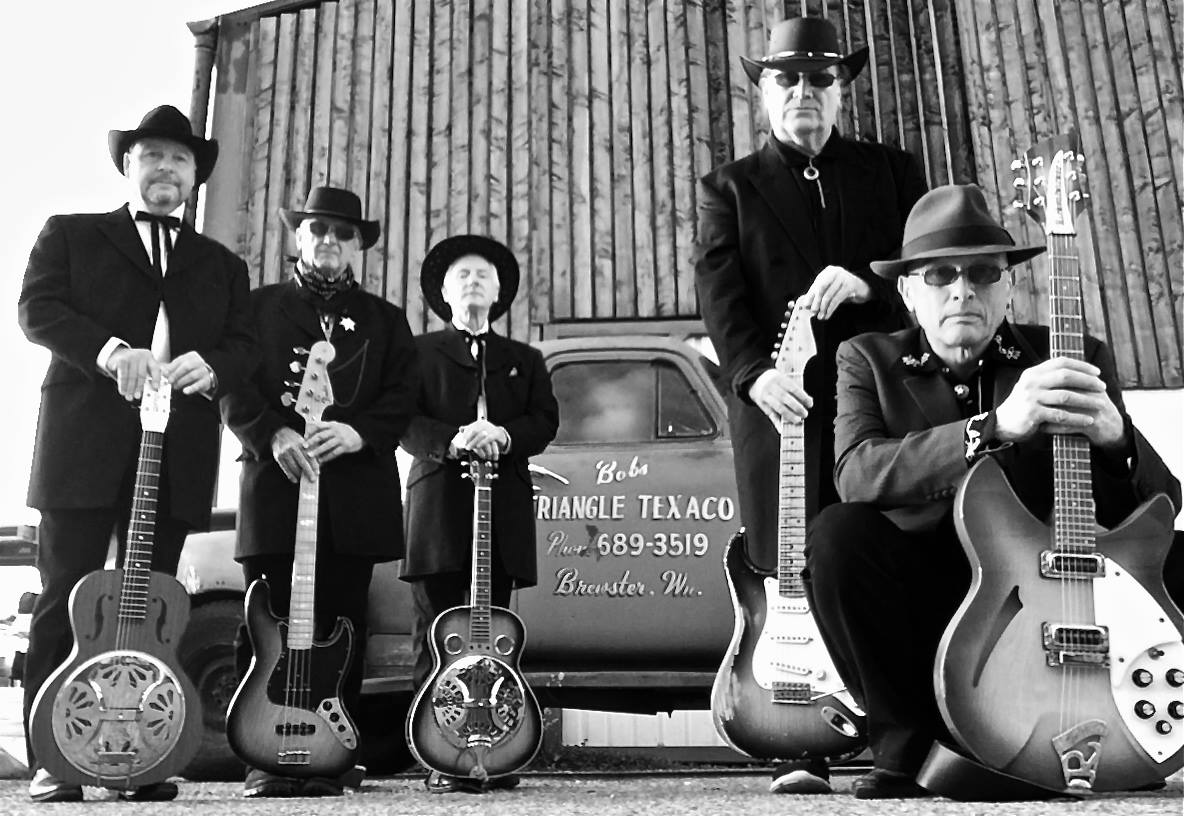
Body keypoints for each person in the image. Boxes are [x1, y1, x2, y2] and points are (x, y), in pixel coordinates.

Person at [805, 184, 1182, 798]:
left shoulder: (1071, 355)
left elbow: (1157, 508)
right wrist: (995, 426)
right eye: (940, 275)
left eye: (983, 273)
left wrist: (1118, 439)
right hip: (926, 593)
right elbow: (858, 472)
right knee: (837, 535)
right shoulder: (865, 358)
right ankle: (904, 748)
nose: (963, 290)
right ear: (906, 291)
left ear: (1009, 287)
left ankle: (1131, 727)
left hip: (1041, 591)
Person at [693, 15, 927, 794]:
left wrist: (871, 282)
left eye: (820, 79)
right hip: (776, 409)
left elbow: (932, 271)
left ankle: (904, 734)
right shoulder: (728, 187)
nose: (804, 92)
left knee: (872, 557)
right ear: (763, 90)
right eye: (787, 78)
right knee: (786, 571)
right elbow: (721, 296)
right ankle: (803, 744)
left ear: (842, 90)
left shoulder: (894, 173)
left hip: (877, 409)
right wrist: (755, 375)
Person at [16, 104, 255, 803]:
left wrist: (211, 366)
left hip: (175, 451)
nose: (165, 169)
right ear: (129, 166)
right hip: (82, 443)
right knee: (67, 594)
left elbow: (244, 346)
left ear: (193, 179)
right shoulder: (71, 235)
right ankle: (52, 757)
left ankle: (139, 755)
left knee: (151, 602)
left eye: (179, 160)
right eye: (152, 155)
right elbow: (38, 308)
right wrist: (112, 351)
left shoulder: (221, 264)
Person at [220, 186, 419, 797]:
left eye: (342, 232)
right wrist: (271, 433)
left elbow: (404, 399)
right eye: (318, 229)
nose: (329, 240)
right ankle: (259, 753)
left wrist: (359, 434)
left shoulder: (386, 320)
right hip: (277, 491)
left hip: (354, 497)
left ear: (357, 244)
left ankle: (332, 751)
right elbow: (230, 385)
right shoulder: (255, 310)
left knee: (342, 624)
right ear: (297, 236)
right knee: (264, 621)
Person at [400, 235, 559, 794]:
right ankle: (439, 755)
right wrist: (455, 439)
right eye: (462, 275)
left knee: (492, 634)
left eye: (483, 275)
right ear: (443, 292)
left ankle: (494, 749)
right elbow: (403, 421)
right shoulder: (416, 354)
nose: (472, 281)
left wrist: (505, 434)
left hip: (504, 512)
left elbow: (545, 422)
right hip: (439, 510)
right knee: (438, 632)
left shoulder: (526, 360)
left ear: (499, 292)